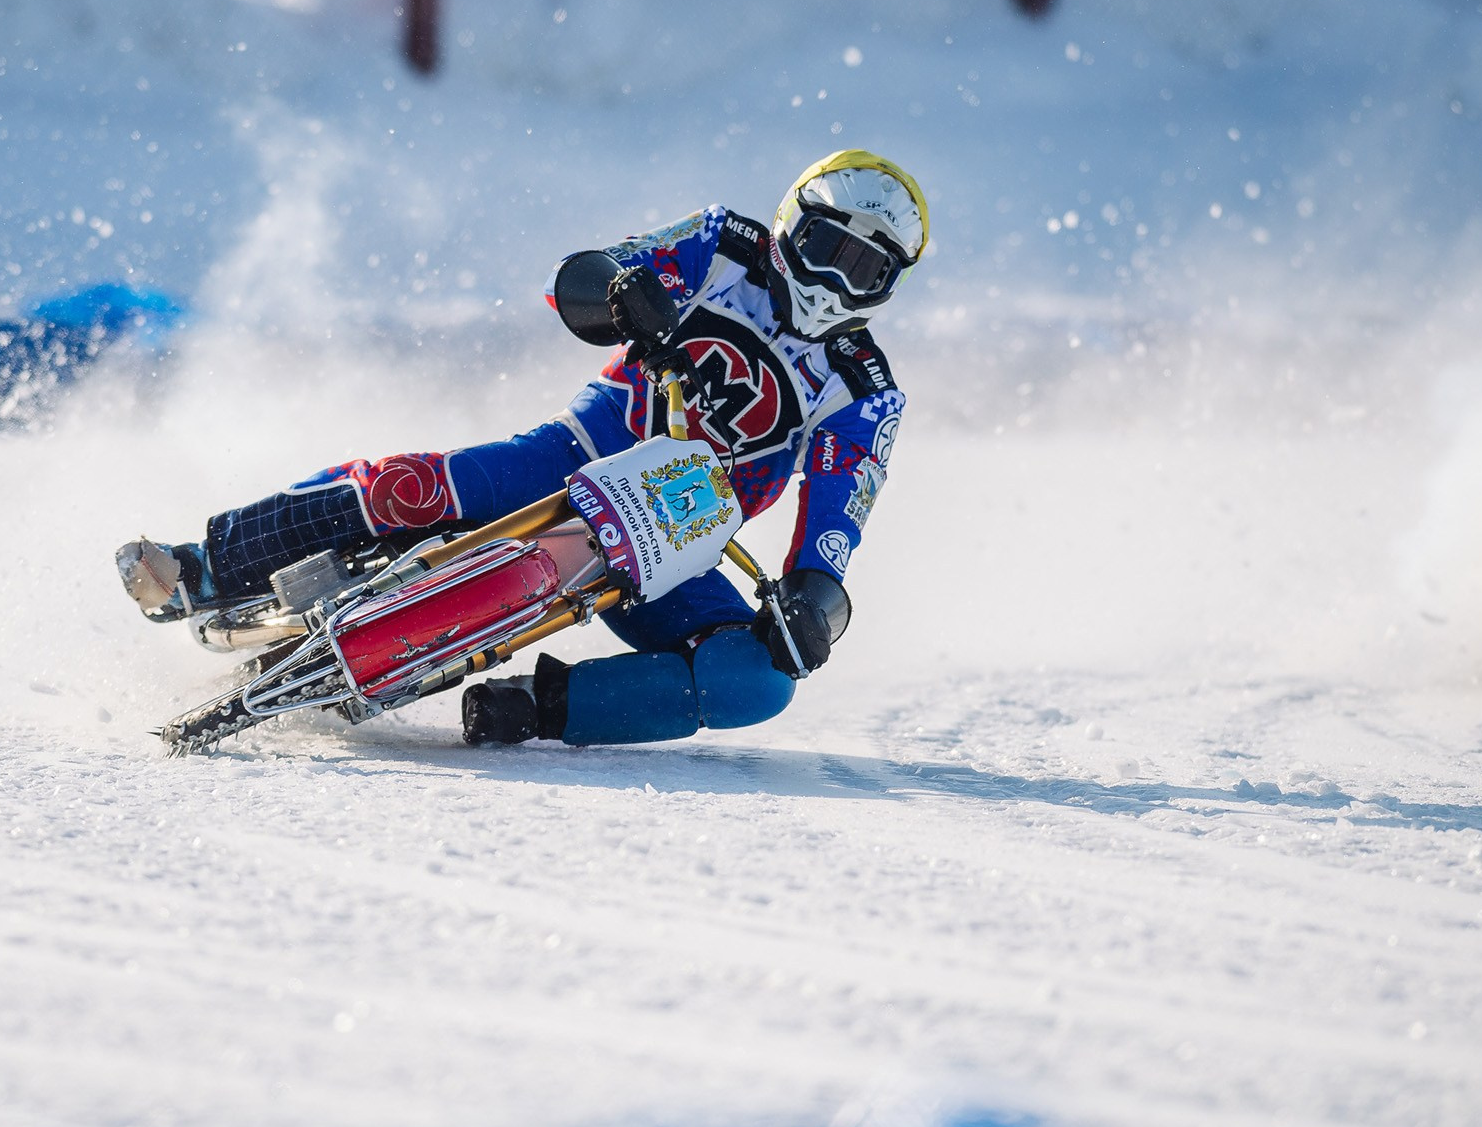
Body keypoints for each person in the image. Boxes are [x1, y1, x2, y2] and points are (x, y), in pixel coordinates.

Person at [118, 149, 924, 747]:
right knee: (410, 489)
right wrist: (620, 287)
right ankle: (204, 567)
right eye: (826, 249)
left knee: (757, 682)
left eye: (866, 271)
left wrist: (814, 610)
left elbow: (835, 526)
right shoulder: (721, 244)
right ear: (791, 224)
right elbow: (580, 277)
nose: (835, 282)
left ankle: (538, 708)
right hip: (572, 452)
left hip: (675, 542)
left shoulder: (865, 388)